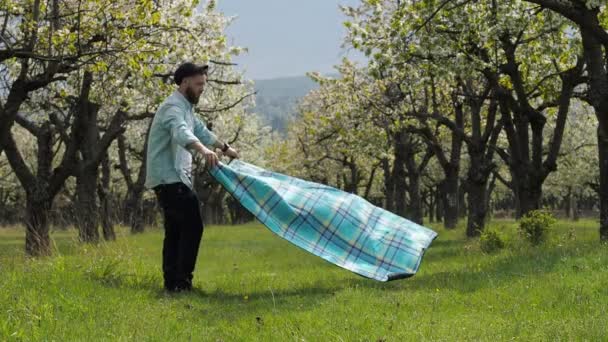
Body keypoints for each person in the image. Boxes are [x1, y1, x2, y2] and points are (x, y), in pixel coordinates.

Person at [145, 62, 239, 292]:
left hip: (174, 177)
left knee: (176, 230)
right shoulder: (172, 108)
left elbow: (200, 130)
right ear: (185, 82)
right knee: (192, 226)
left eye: (203, 84)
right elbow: (181, 132)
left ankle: (173, 284)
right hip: (168, 178)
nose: (201, 89)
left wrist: (224, 148)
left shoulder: (186, 107)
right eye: (198, 84)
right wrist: (204, 151)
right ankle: (182, 282)